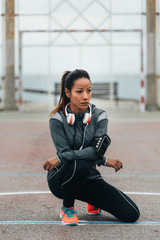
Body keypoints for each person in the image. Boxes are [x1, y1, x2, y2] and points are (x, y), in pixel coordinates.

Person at [43, 69, 140, 226]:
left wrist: (100, 159)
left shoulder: (100, 116)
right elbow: (66, 154)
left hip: (89, 176)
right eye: (79, 91)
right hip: (61, 179)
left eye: (89, 91)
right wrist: (103, 160)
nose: (85, 96)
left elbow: (96, 151)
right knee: (79, 165)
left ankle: (92, 200)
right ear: (68, 92)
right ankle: (67, 208)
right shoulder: (57, 119)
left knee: (131, 214)